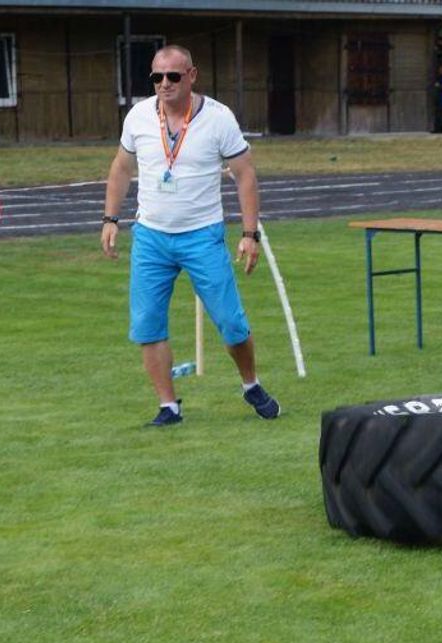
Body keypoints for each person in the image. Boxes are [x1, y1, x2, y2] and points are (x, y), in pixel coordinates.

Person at [101, 44, 280, 427]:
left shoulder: (218, 118)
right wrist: (110, 218)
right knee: (147, 324)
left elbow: (245, 175)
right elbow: (120, 168)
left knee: (231, 323)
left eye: (173, 76)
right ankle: (169, 407)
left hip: (202, 236)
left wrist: (250, 233)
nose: (164, 84)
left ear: (192, 75)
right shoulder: (137, 117)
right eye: (156, 77)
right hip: (151, 236)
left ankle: (251, 384)